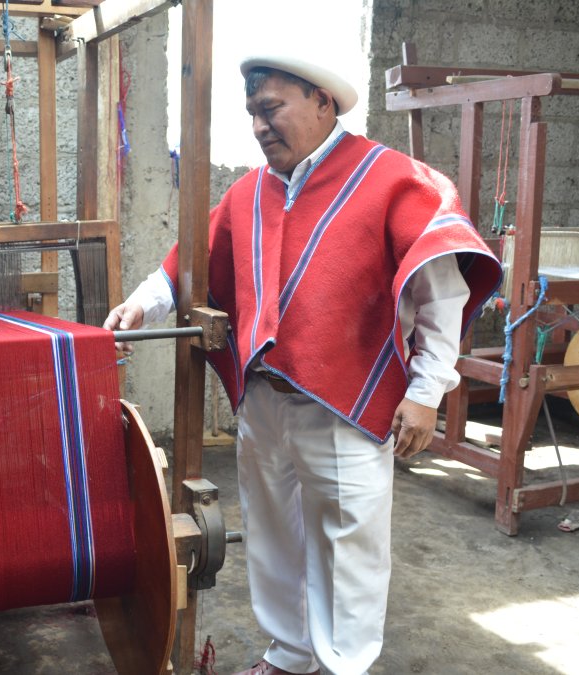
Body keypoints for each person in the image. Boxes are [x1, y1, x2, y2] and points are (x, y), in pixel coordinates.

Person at [104, 54, 502, 675]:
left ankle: (344, 665)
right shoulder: (249, 192)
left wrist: (427, 391)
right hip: (265, 399)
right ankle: (288, 657)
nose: (261, 127)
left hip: (344, 407)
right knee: (273, 538)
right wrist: (140, 305)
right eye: (253, 115)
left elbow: (440, 290)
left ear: (323, 102)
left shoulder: (390, 178)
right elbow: (194, 260)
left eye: (272, 109)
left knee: (349, 546)